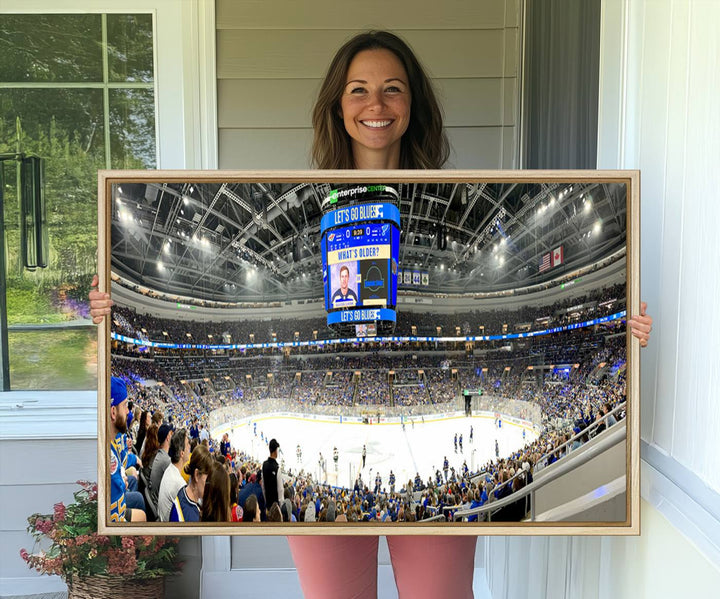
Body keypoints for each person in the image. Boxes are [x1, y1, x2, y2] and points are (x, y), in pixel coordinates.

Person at [89, 28, 654, 599]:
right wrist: (107, 313)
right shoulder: (307, 202)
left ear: (413, 105)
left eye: (392, 89)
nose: (375, 104)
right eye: (358, 89)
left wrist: (620, 332)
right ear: (338, 104)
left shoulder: (457, 198)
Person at [109, 376, 146, 522]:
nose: (127, 412)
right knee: (140, 511)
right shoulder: (110, 455)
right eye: (125, 406)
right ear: (113, 412)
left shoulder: (112, 441)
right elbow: (116, 519)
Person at [169, 443, 214, 522]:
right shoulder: (190, 518)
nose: (209, 486)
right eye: (208, 480)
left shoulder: (183, 491)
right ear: (196, 475)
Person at [157, 427, 190, 522]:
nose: (189, 447)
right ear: (182, 453)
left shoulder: (170, 469)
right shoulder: (179, 484)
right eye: (187, 444)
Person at [261, 438, 283, 511]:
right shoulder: (277, 468)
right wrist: (281, 507)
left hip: (268, 505)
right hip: (276, 508)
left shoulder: (264, 465)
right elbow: (280, 491)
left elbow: (263, 486)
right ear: (275, 451)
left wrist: (266, 502)